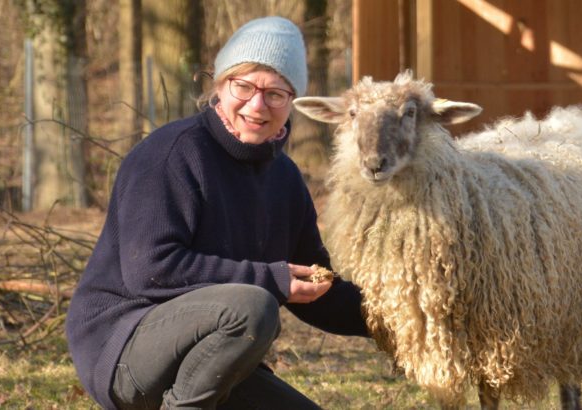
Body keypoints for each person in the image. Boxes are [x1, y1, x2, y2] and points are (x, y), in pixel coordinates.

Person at [65, 16, 368, 409]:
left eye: (276, 93)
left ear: (292, 102)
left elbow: (316, 287)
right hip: (126, 348)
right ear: (219, 85)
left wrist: (403, 319)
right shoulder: (170, 155)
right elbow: (150, 269)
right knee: (254, 306)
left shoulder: (286, 178)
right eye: (243, 86)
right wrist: (269, 279)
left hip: (211, 357)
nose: (257, 105)